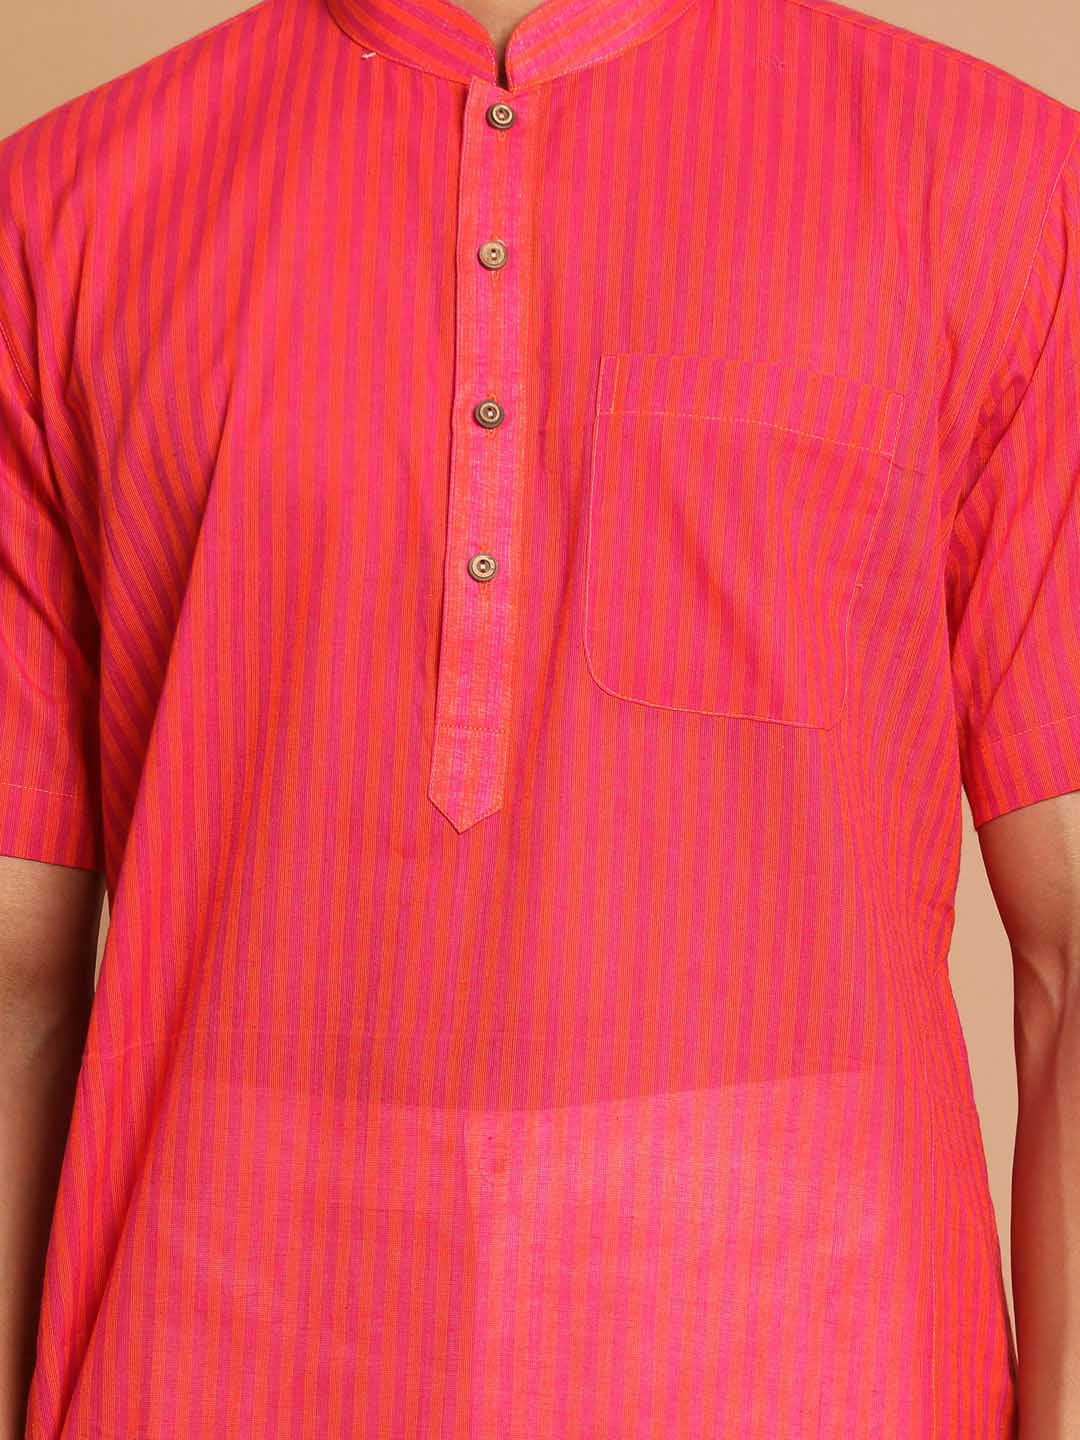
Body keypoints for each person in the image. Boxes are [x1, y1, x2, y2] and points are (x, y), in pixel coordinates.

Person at [1, 0, 1078, 1433]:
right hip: (210, 1348)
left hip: (817, 1356)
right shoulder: (65, 209)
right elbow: (13, 976)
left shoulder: (1002, 184)